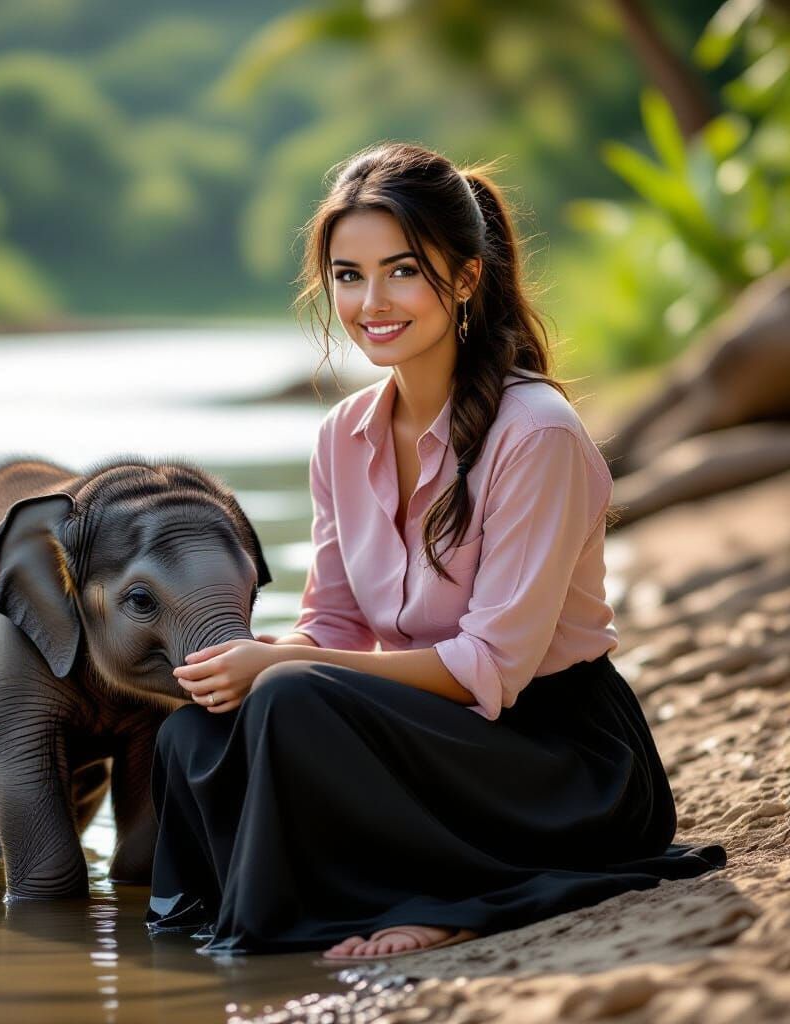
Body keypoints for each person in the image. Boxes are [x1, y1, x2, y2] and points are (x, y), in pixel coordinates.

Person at [144, 141, 727, 960]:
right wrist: (256, 656)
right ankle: (228, 927)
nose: (371, 301)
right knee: (195, 734)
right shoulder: (341, 438)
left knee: (287, 700)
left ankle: (419, 900)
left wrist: (281, 672)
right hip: (430, 732)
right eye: (348, 275)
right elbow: (336, 628)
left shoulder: (537, 436)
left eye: (402, 270)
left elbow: (488, 668)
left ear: (464, 277)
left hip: (560, 759)